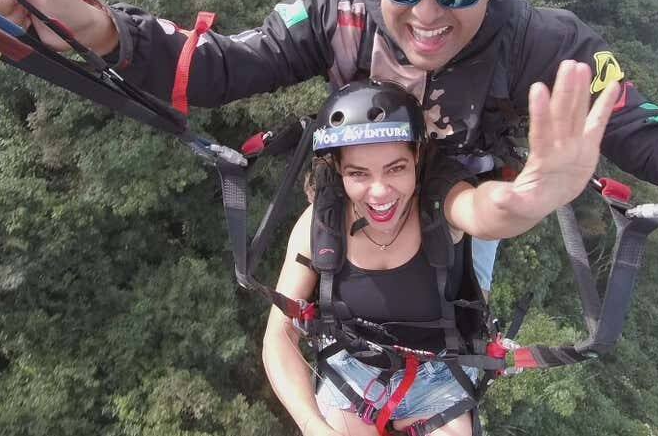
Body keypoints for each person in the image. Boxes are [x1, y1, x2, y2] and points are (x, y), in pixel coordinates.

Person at [0, 0, 658, 294]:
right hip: (356, 175)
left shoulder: (543, 44)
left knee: (453, 304)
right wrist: (82, 22)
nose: (428, 13)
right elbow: (215, 69)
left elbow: (646, 128)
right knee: (312, 314)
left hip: (471, 191)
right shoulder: (337, 14)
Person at [263, 67, 618, 436]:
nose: (380, 192)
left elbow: (482, 211)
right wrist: (311, 425)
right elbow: (279, 335)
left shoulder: (438, 205)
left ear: (418, 158)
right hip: (353, 367)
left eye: (395, 168)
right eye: (359, 174)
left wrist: (532, 200)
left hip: (441, 372)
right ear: (337, 169)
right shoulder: (320, 224)